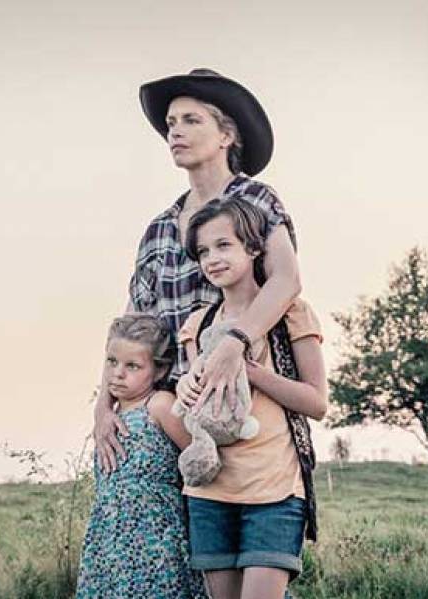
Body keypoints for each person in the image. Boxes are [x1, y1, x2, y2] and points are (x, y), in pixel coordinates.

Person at [94, 68, 319, 542]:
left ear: (226, 135)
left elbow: (286, 279)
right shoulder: (159, 228)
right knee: (171, 548)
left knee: (252, 540)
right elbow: (131, 328)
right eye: (170, 123)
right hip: (171, 410)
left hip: (241, 403)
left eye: (191, 120)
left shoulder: (255, 200)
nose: (174, 131)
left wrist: (234, 344)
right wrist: (104, 404)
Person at [177, 197, 327, 599]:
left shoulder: (292, 314)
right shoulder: (198, 324)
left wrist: (251, 371)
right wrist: (187, 388)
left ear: (254, 248)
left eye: (224, 245)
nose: (212, 259)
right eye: (203, 252)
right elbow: (199, 405)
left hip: (274, 492)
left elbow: (317, 403)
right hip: (209, 494)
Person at [76, 313, 207, 599]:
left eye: (132, 366)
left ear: (159, 371)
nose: (118, 373)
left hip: (155, 540)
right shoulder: (109, 417)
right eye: (112, 362)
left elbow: (202, 458)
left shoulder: (159, 405)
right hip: (108, 540)